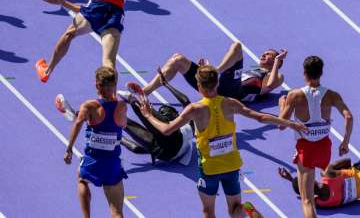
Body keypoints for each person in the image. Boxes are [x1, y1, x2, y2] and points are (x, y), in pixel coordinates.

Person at [135, 65, 308, 218]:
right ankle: (245, 209)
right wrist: (289, 122)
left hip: (209, 169)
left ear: (199, 86)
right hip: (232, 165)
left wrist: (148, 114)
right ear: (217, 83)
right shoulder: (230, 103)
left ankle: (243, 209)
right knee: (234, 209)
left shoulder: (195, 109)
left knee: (208, 212)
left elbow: (166, 130)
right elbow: (261, 117)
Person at [56, 68, 195, 166]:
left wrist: (167, 85)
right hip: (164, 153)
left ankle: (135, 101)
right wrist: (115, 137)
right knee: (121, 122)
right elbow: (136, 148)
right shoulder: (190, 126)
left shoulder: (187, 122)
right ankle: (133, 101)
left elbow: (186, 101)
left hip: (170, 145)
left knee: (156, 123)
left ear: (175, 114)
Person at [279, 56, 353, 218]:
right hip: (324, 147)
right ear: (321, 73)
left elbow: (281, 125)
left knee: (307, 201)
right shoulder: (332, 95)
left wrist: (282, 105)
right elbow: (348, 117)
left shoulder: (295, 95)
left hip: (306, 149)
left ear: (304, 74)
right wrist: (345, 142)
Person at [64, 67, 128, 218]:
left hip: (92, 162)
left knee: (81, 178)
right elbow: (122, 125)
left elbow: (78, 123)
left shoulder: (89, 106)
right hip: (112, 164)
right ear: (115, 84)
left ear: (97, 86)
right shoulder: (122, 107)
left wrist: (69, 149)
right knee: (117, 212)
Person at [128, 42, 287, 103]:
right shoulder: (252, 70)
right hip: (220, 86)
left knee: (237, 47)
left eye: (269, 55)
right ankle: (144, 93)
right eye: (264, 53)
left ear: (277, 61)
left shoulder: (277, 76)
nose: (263, 55)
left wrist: (277, 64)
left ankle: (215, 71)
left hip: (234, 93)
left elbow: (271, 84)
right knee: (178, 59)